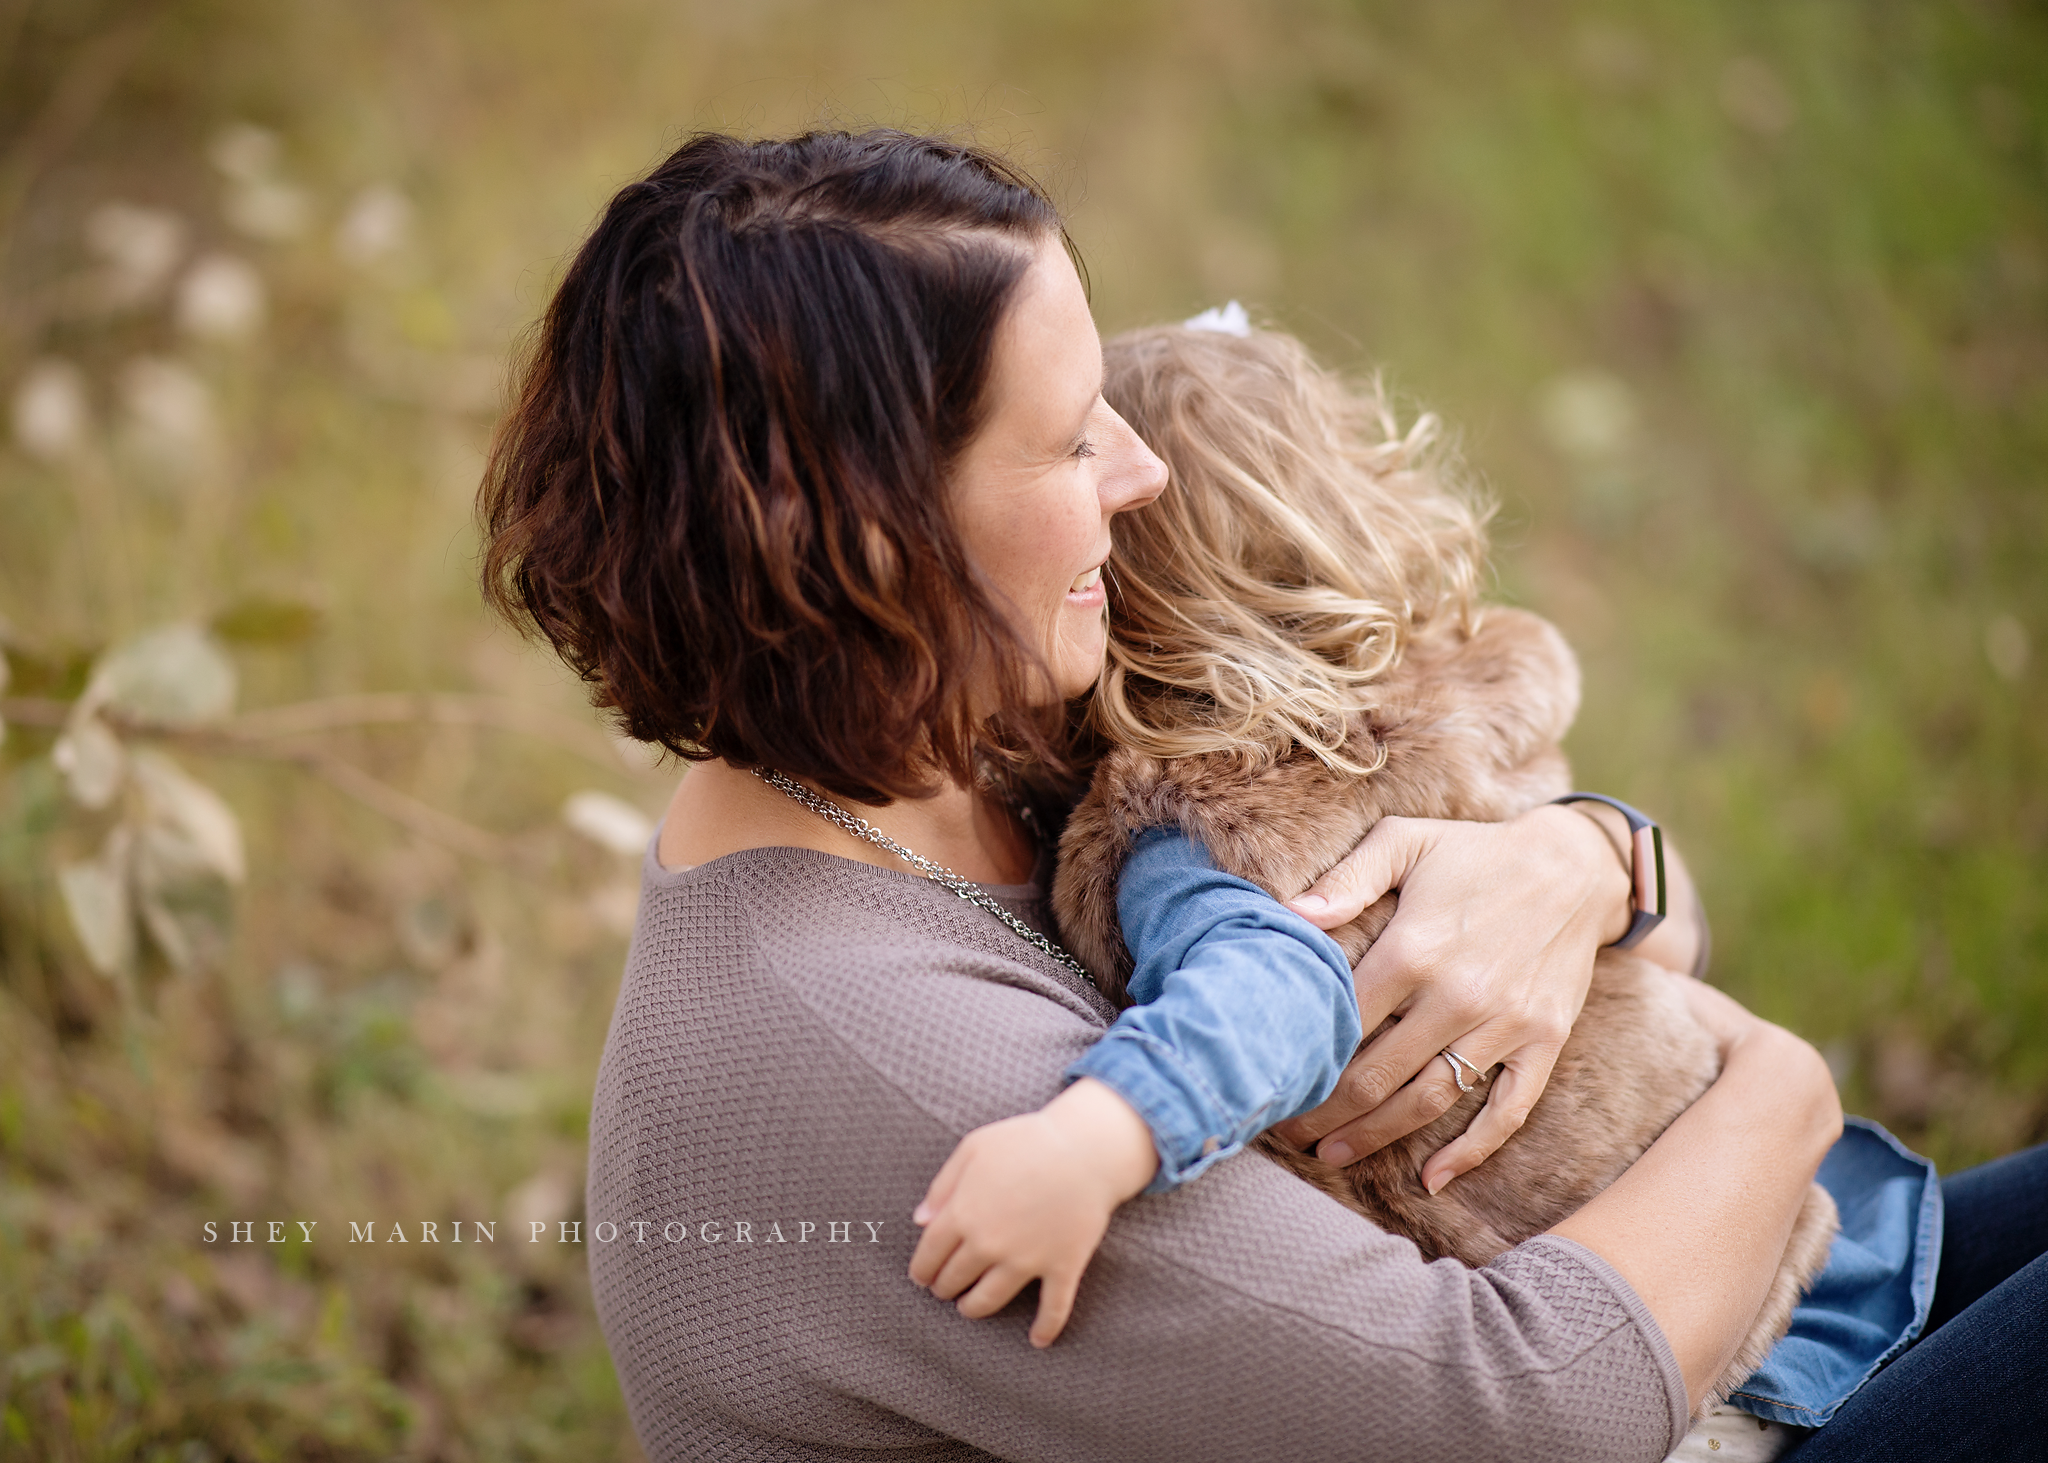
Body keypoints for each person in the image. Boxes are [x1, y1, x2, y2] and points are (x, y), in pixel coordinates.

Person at [474, 127, 1967, 1462]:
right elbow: (1519, 1413)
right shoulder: (899, 1066)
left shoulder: (971, 759)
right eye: (1069, 437)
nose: (1138, 471)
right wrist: (1786, 1089)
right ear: (871, 542)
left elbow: (1608, 891)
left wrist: (1585, 860)